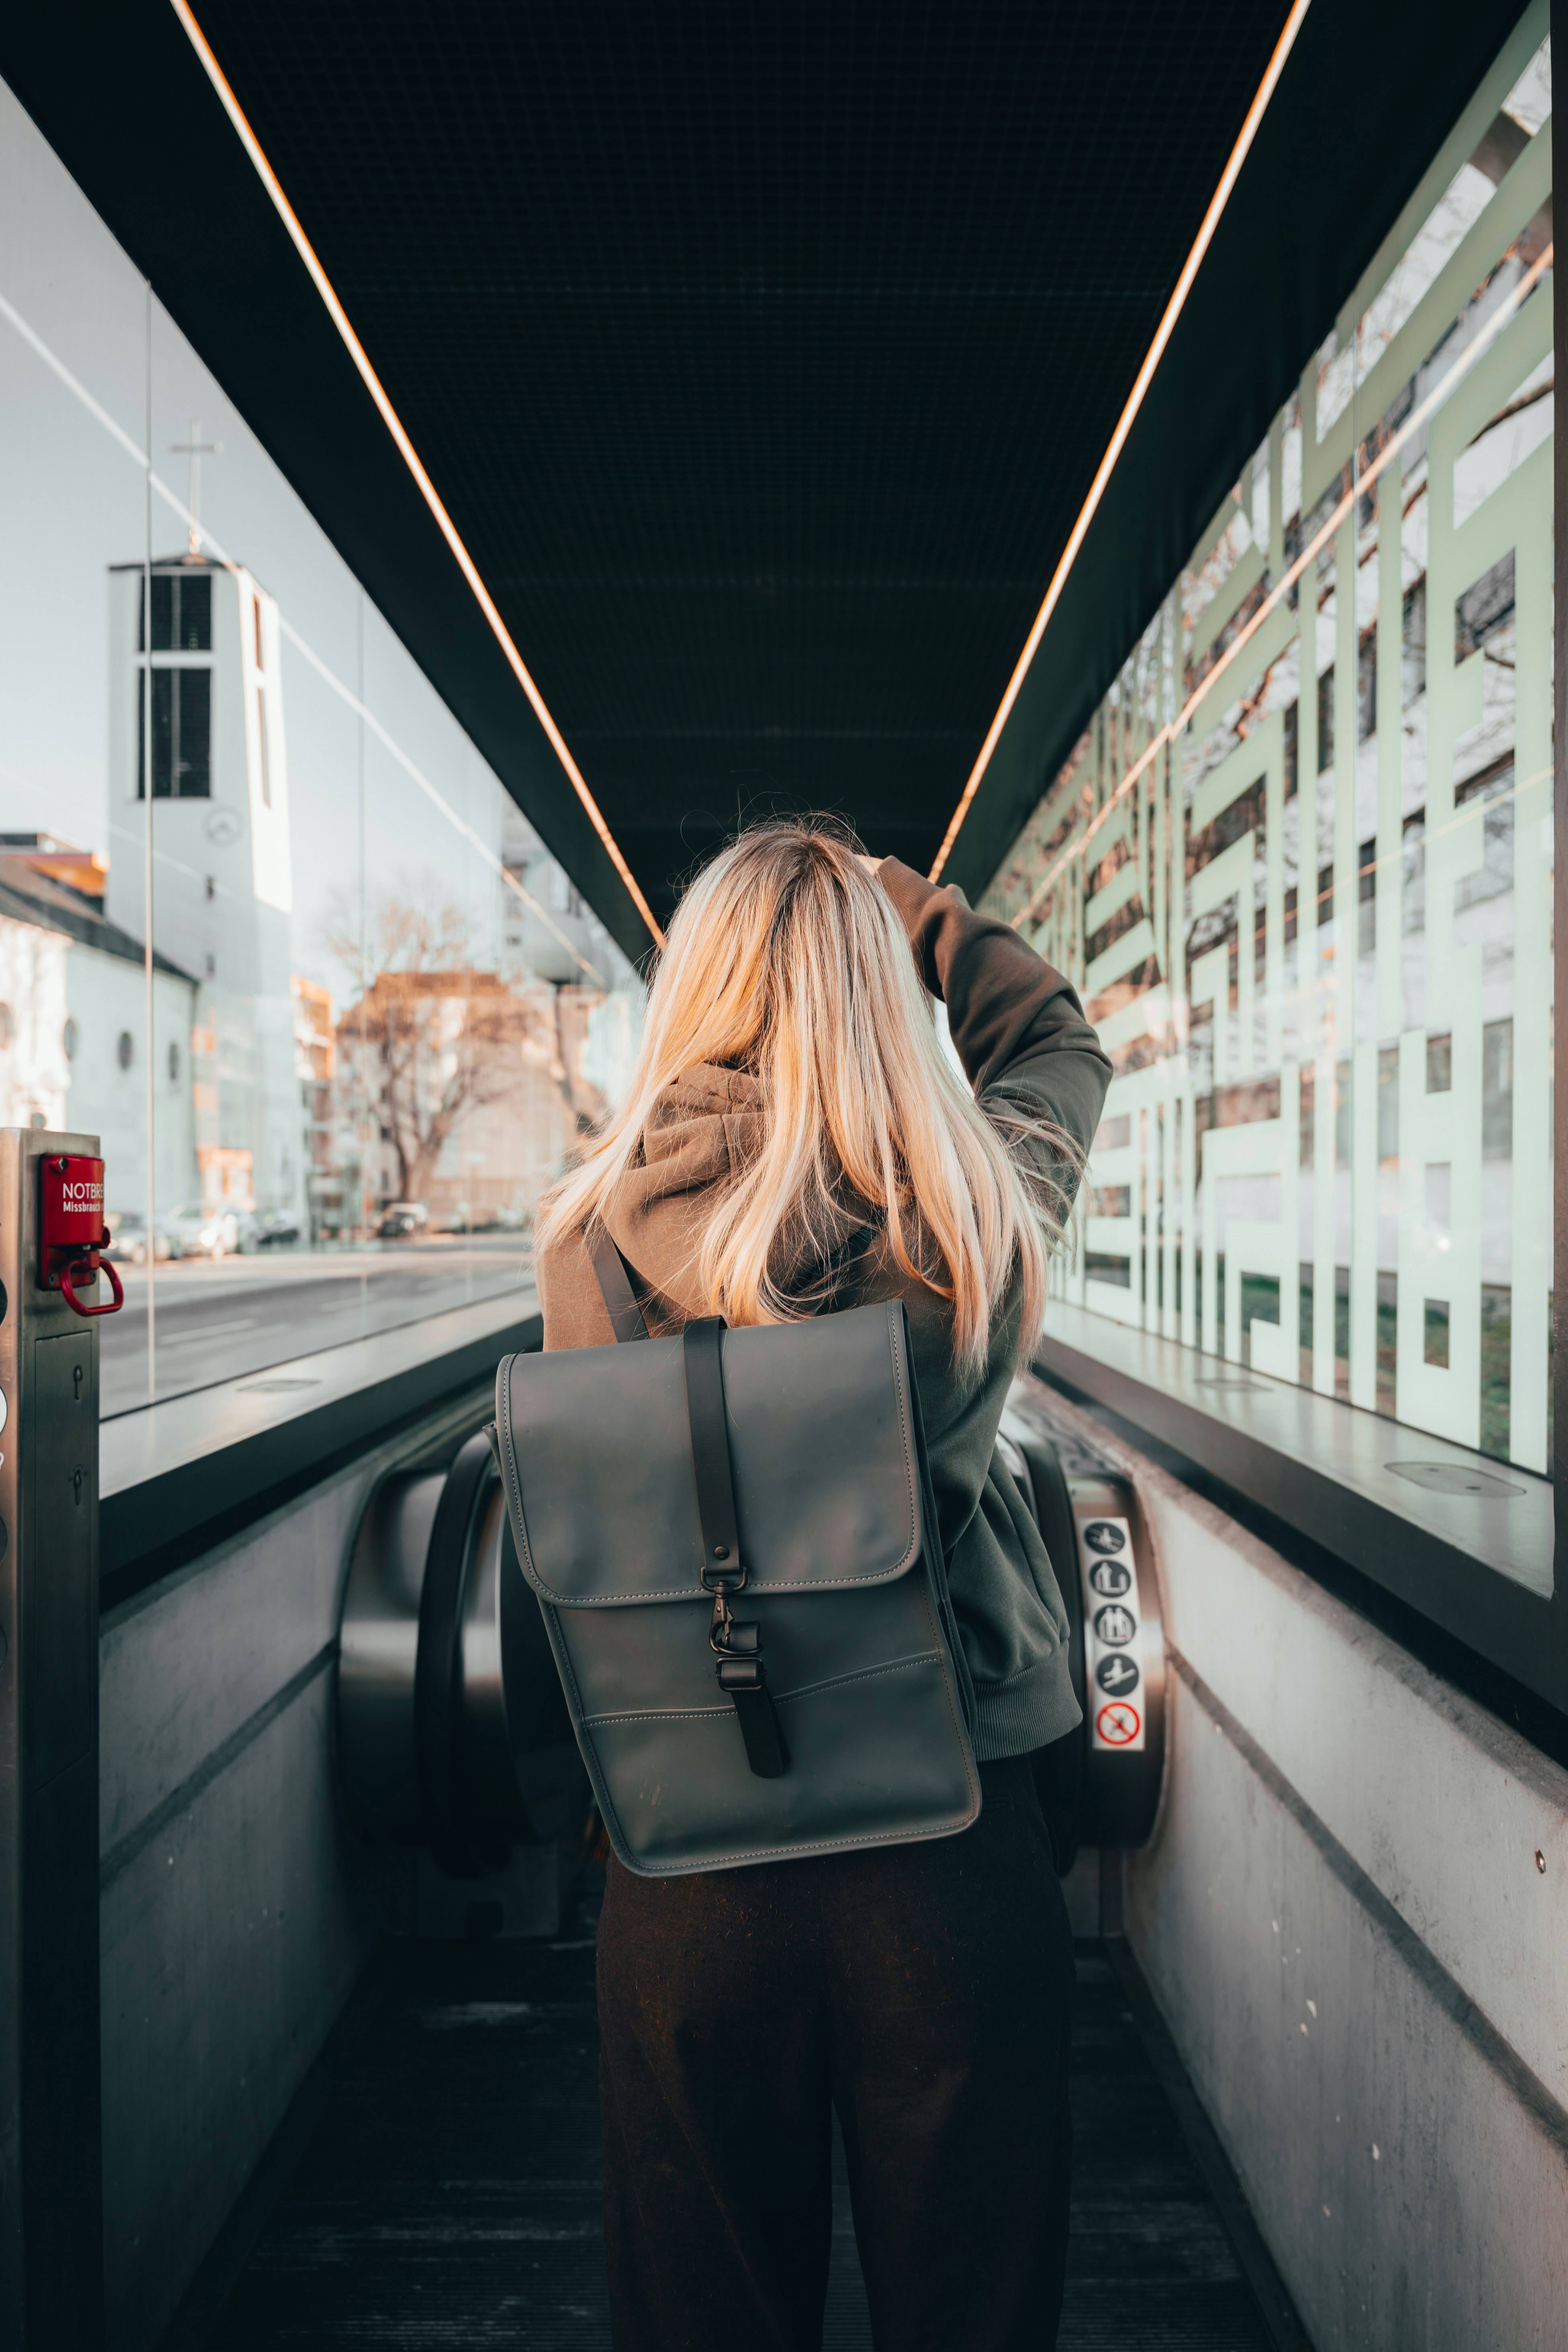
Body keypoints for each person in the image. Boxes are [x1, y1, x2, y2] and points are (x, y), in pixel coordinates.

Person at [534, 821, 1111, 2352]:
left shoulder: (587, 1241)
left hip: (688, 1862)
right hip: (951, 1843)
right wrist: (911, 909)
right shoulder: (970, 1218)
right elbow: (1052, 1035)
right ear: (870, 993)